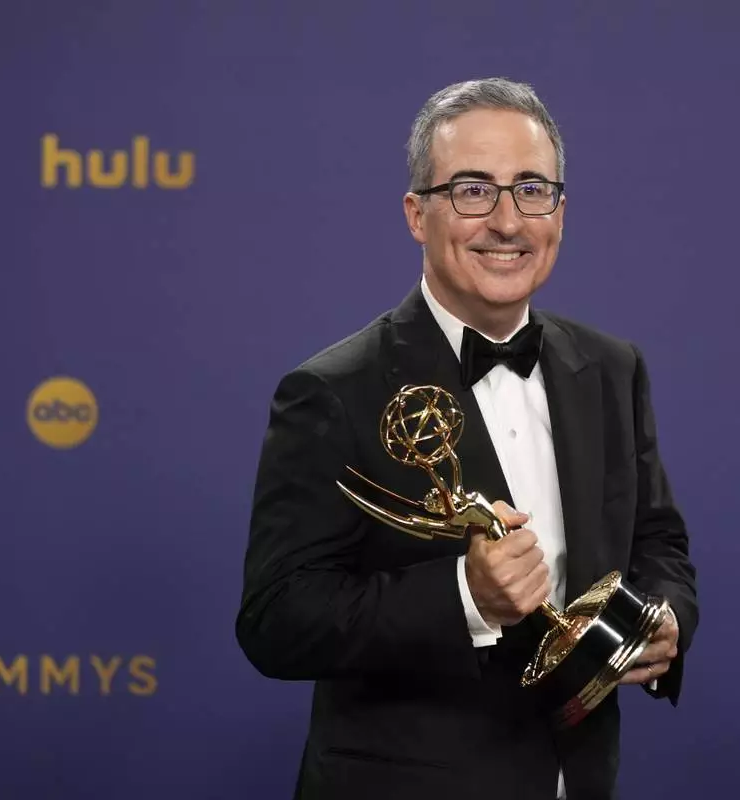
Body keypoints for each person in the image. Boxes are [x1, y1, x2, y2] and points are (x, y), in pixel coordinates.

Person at [236, 77, 698, 800]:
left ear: (561, 213)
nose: (507, 221)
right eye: (473, 190)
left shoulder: (611, 368)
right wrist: (464, 596)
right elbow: (276, 620)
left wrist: (663, 619)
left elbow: (659, 544)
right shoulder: (333, 390)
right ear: (417, 214)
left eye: (531, 189)